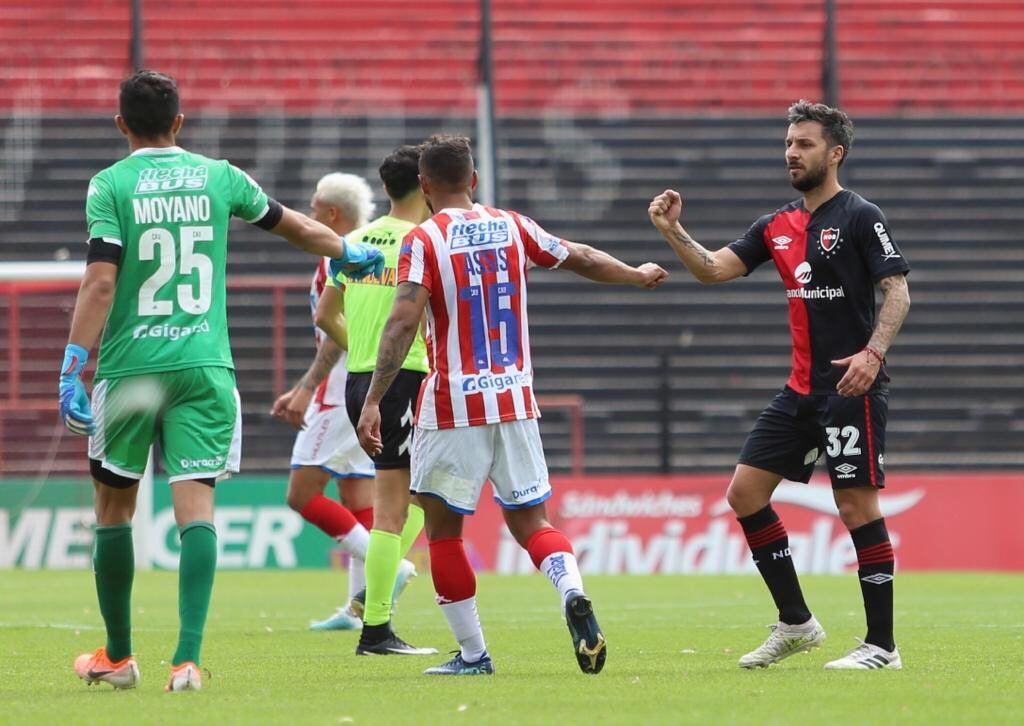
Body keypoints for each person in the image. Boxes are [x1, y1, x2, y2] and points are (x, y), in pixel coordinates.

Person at [58, 70, 383, 692]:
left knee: (114, 510)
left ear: (121, 124)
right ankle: (186, 660)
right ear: (179, 122)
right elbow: (296, 226)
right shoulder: (220, 176)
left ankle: (119, 657)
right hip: (205, 368)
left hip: (131, 369)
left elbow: (100, 282)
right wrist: (346, 252)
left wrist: (73, 364)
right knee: (196, 509)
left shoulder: (110, 184)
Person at [355, 134, 668, 676]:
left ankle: (474, 655)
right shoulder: (514, 226)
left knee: (443, 532)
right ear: (473, 179)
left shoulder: (424, 239)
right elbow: (582, 256)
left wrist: (374, 399)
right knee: (532, 522)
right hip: (515, 400)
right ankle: (571, 591)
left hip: (452, 405)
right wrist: (635, 274)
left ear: (424, 185)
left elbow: (403, 321)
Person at [648, 100, 911, 670]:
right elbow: (714, 269)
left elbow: (897, 291)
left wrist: (873, 354)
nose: (792, 152)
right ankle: (797, 623)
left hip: (850, 388)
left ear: (835, 153)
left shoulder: (861, 216)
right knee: (745, 494)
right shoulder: (776, 224)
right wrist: (673, 232)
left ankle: (882, 646)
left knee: (855, 507)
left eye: (804, 144)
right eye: (789, 143)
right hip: (800, 391)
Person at [271, 172, 415, 631]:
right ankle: (359, 610)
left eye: (314, 208)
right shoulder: (378, 249)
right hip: (369, 386)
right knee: (357, 498)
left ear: (332, 213)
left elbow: (336, 330)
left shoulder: (342, 252)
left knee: (302, 493)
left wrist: (305, 387)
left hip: (341, 392)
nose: (309, 215)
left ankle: (393, 568)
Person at [328, 145, 435, 656]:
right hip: (404, 378)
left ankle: (375, 594)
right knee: (395, 510)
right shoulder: (424, 242)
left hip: (359, 381)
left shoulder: (352, 242)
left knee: (427, 494)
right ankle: (375, 626)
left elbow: (325, 314)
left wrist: (365, 354)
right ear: (426, 185)